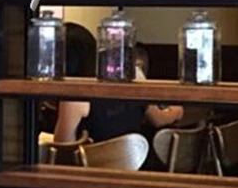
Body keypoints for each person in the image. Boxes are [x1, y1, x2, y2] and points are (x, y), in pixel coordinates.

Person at [53, 28, 183, 147]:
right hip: (137, 160)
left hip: (92, 164)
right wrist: (177, 111)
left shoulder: (75, 95)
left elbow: (62, 148)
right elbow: (158, 119)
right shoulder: (133, 75)